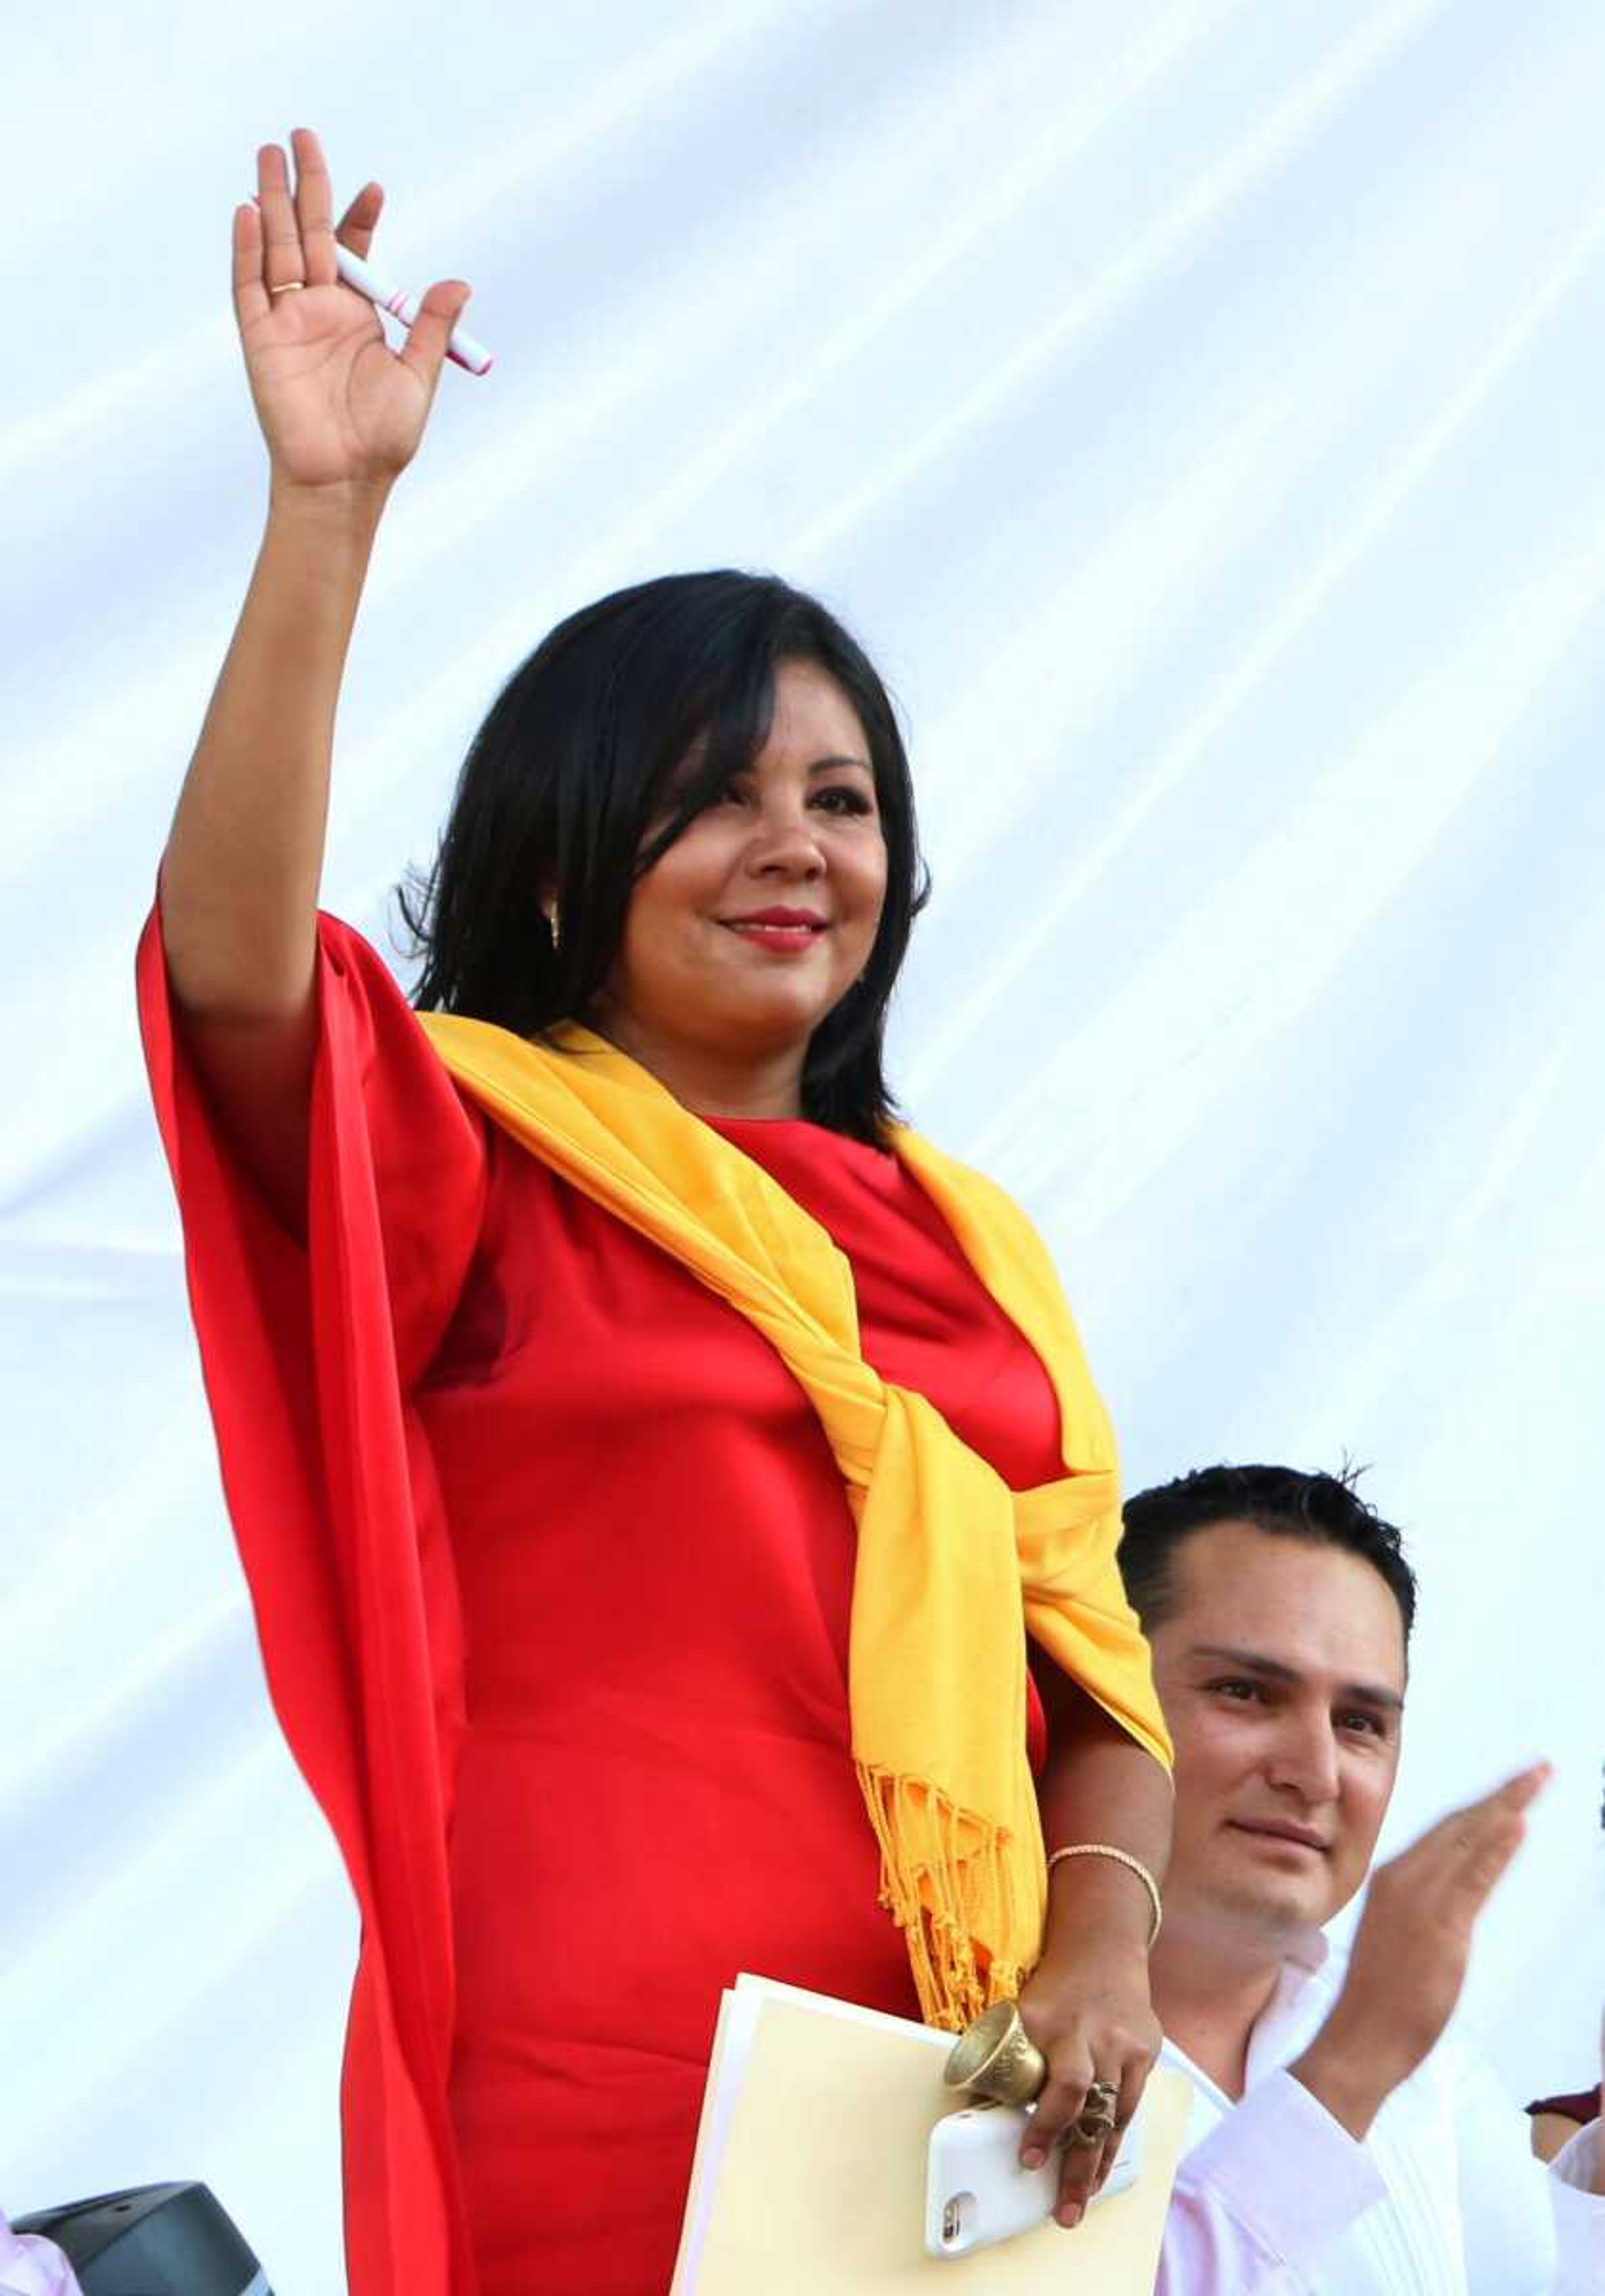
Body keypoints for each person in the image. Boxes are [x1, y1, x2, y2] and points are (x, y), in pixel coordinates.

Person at [139, 130, 1175, 2296]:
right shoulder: (481, 1146)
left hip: (958, 2111)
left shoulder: (976, 1244)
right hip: (600, 2090)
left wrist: (1101, 1952)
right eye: (713, 794)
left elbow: (1095, 1681)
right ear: (553, 863)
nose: (794, 846)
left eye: (843, 798)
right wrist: (326, 517)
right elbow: (237, 973)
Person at [1116, 1462, 1602, 2293]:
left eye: (1359, 1723)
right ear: (1099, 1694)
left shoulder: (1428, 2060)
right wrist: (1354, 2063)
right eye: (1246, 1692)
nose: (1317, 1772)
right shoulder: (945, 2025)